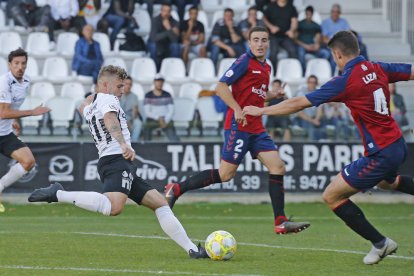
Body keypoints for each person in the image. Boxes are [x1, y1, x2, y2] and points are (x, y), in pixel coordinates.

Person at [242, 30, 414, 264]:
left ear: (337, 54)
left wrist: (261, 110)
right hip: (398, 144)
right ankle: (381, 241)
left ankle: (381, 243)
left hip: (381, 153)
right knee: (387, 182)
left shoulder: (345, 81)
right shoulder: (378, 68)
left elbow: (298, 103)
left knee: (332, 196)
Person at [28, 65, 208, 259]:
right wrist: (122, 144)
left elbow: (84, 105)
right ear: (106, 85)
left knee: (160, 204)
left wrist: (91, 98)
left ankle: (192, 250)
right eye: (119, 86)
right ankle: (59, 194)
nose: (123, 91)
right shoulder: (107, 99)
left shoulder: (93, 103)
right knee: (114, 207)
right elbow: (109, 118)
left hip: (113, 161)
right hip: (116, 159)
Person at [164, 26, 310, 235]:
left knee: (278, 167)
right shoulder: (243, 61)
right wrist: (237, 109)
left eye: (264, 40)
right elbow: (221, 86)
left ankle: (280, 221)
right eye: (256, 40)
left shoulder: (266, 67)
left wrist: (273, 94)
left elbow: (257, 95)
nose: (260, 44)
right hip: (238, 126)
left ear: (268, 43)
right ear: (249, 43)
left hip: (257, 128)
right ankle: (176, 189)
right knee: (225, 175)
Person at [0, 48, 50, 212]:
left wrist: (14, 120)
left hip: (5, 133)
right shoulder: (4, 82)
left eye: (23, 63)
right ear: (10, 65)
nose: (20, 67)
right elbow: (3, 112)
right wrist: (31, 112)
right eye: (16, 63)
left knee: (28, 162)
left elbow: (10, 108)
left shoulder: (26, 81)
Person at [263, 0, 298, 71]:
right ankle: (272, 72)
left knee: (293, 51)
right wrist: (271, 27)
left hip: (286, 36)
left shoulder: (291, 8)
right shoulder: (271, 6)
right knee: (273, 52)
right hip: (273, 36)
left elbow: (294, 21)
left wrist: (291, 30)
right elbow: (264, 19)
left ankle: (291, 71)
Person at [143, 73, 180, 142]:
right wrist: (159, 118)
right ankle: (146, 148)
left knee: (174, 138)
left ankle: (177, 147)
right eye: (158, 81)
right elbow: (147, 112)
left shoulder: (167, 94)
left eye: (161, 81)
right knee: (147, 128)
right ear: (154, 82)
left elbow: (171, 111)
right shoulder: (148, 95)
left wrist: (165, 120)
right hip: (152, 119)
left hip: (166, 119)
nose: (159, 83)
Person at [295, 6, 330, 72]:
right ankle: (303, 72)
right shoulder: (299, 25)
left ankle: (320, 70)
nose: (308, 16)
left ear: (312, 14)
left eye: (310, 14)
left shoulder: (316, 25)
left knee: (326, 53)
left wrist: (317, 45)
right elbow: (295, 39)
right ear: (305, 14)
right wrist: (305, 46)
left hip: (312, 47)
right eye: (307, 14)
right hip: (302, 46)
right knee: (301, 53)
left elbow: (318, 38)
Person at [147, 3, 181, 70]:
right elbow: (154, 38)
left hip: (167, 44)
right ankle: (154, 70)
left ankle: (173, 69)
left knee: (175, 46)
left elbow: (175, 40)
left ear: (170, 12)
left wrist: (168, 28)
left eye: (168, 11)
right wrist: (169, 31)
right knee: (153, 45)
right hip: (156, 43)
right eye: (164, 11)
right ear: (161, 11)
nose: (166, 13)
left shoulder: (175, 22)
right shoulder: (155, 20)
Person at [293, 75, 326, 141]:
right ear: (307, 83)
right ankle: (314, 144)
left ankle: (323, 143)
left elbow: (320, 109)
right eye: (310, 82)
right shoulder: (301, 93)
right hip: (303, 118)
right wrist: (312, 121)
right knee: (311, 127)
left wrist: (316, 119)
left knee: (323, 124)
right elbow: (300, 113)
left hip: (315, 118)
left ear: (317, 84)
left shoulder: (319, 93)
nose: (312, 84)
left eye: (314, 82)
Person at [120, 76, 143, 142]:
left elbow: (134, 113)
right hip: (119, 120)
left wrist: (130, 121)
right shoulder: (117, 95)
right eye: (126, 84)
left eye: (130, 84)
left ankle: (133, 143)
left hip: (130, 119)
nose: (128, 86)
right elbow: (116, 113)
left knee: (138, 123)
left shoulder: (134, 96)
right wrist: (125, 121)